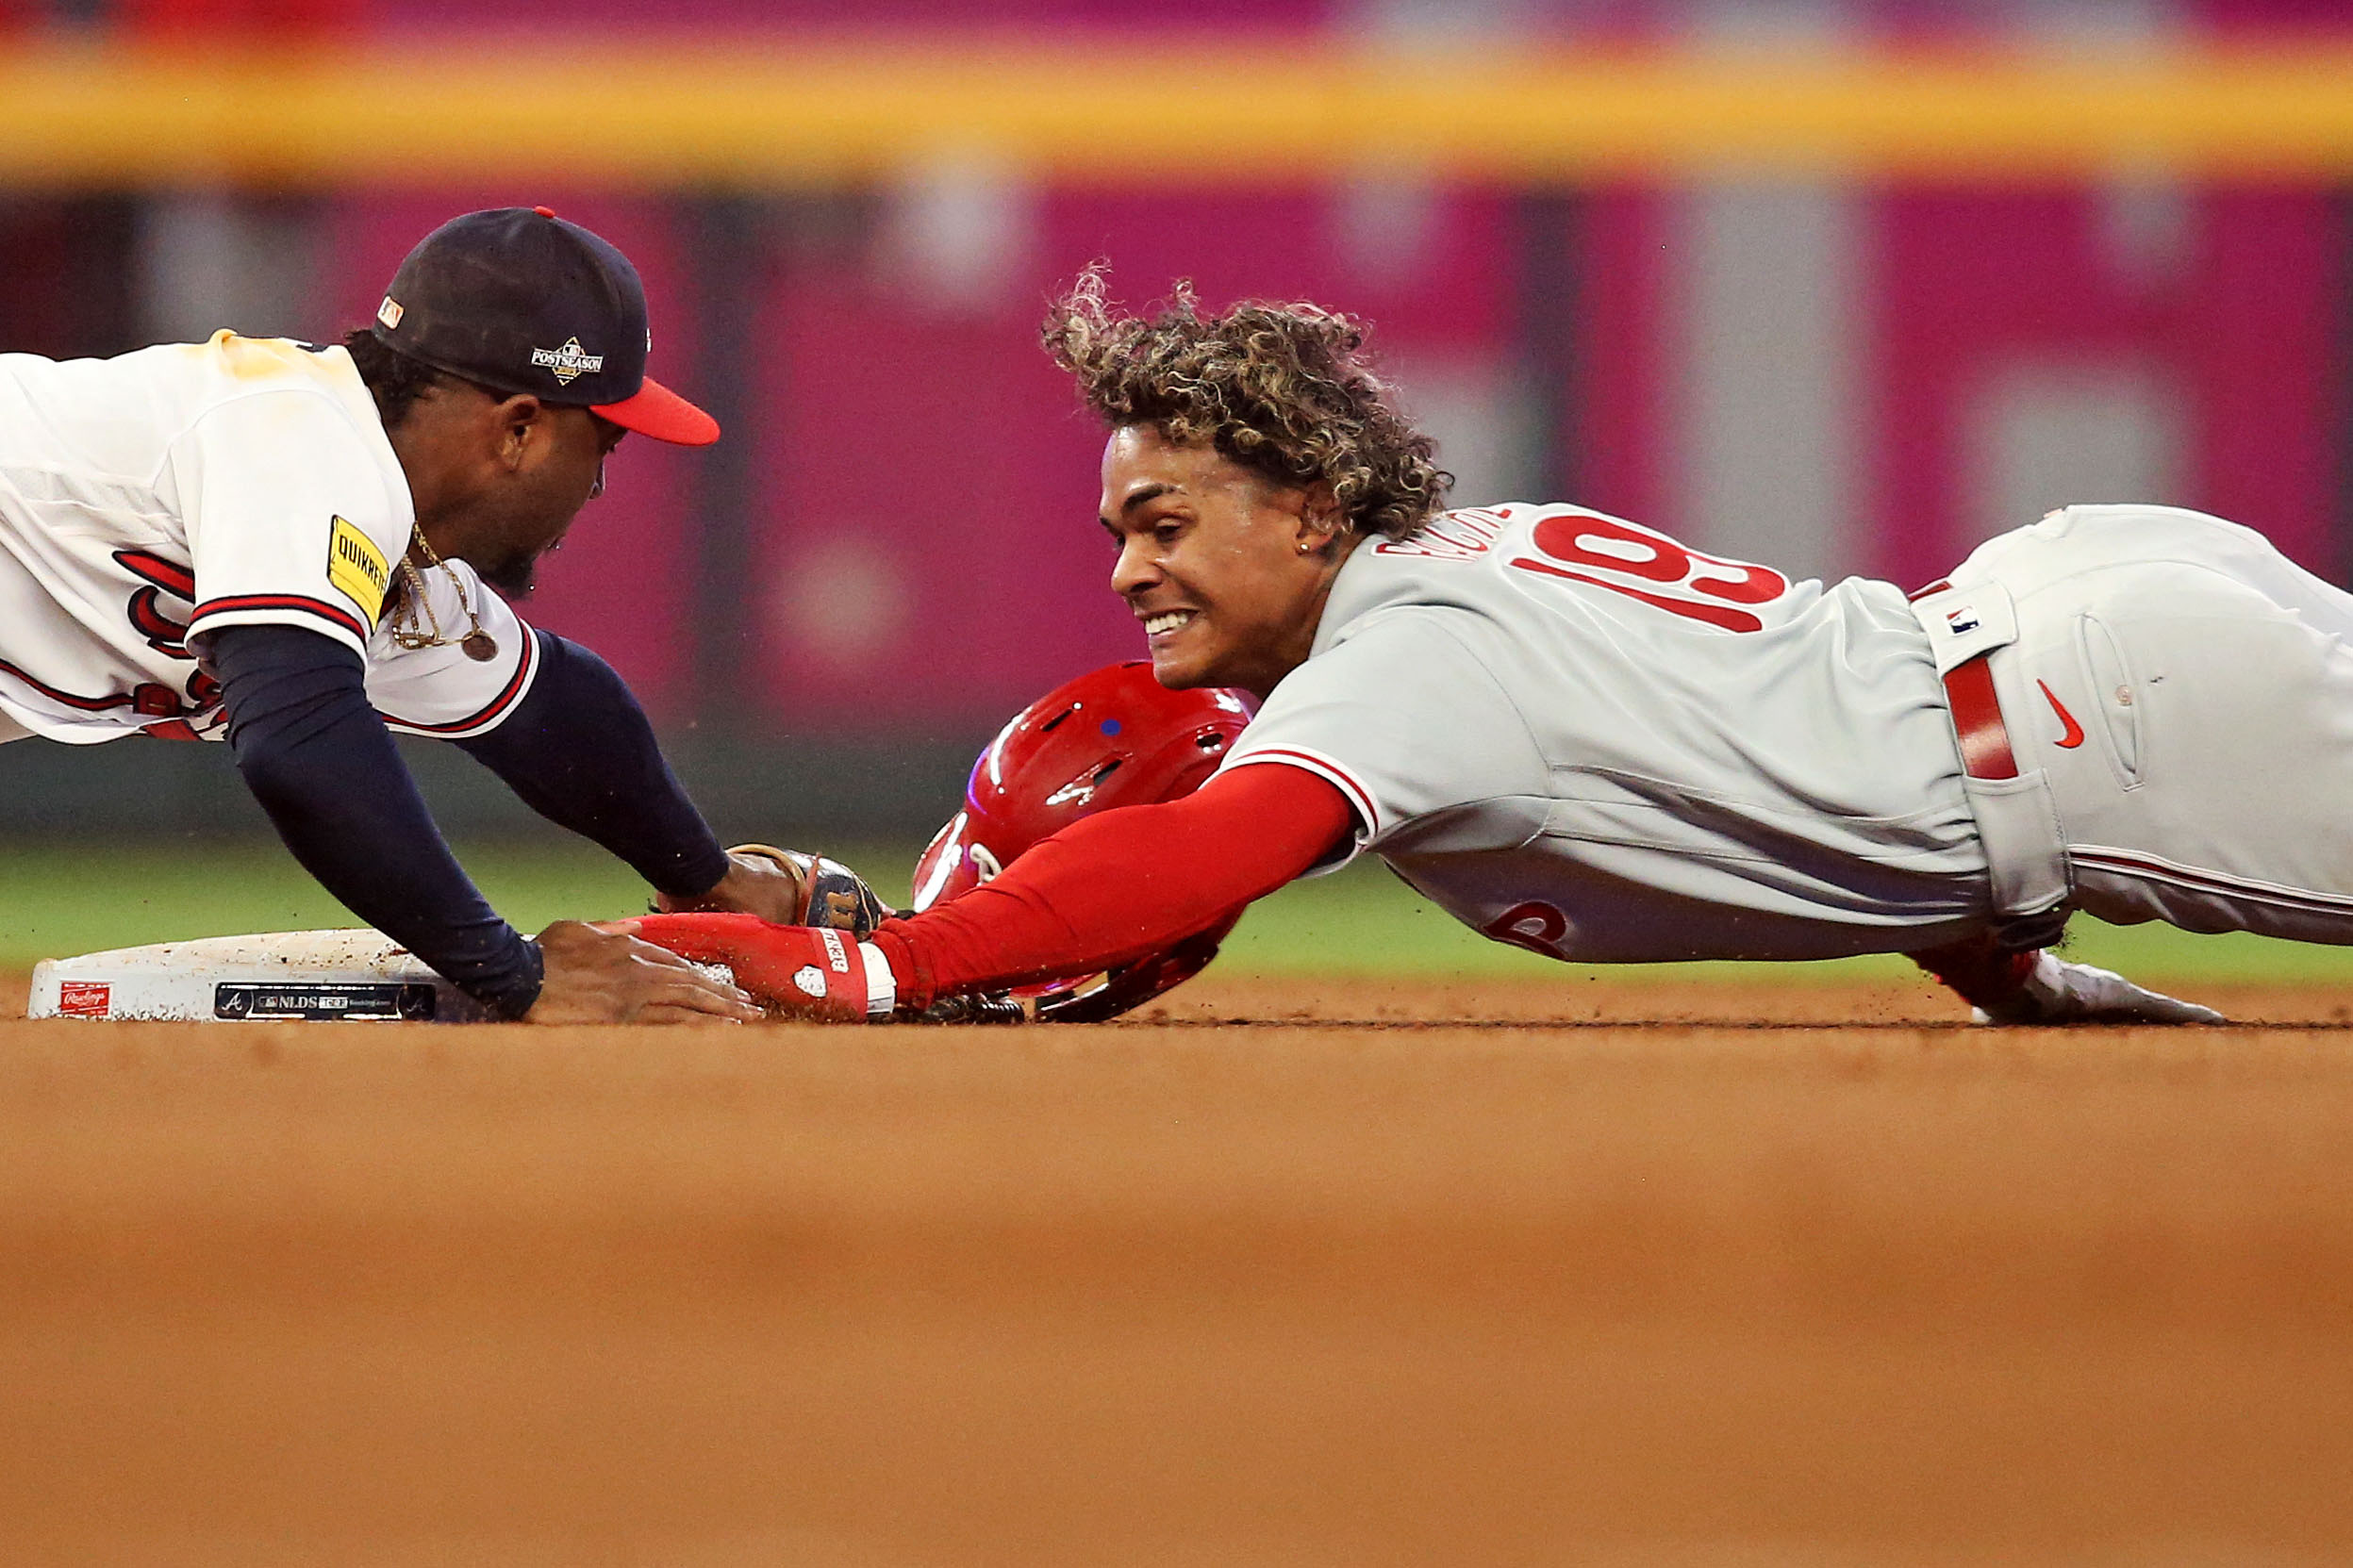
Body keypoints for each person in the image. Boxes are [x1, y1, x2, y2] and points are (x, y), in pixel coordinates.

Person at [629, 270, 2353, 1025]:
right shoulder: (1456, 572)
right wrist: (2009, 963)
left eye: (1167, 524)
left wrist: (882, 970)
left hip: (2121, 726)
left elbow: (1210, 847)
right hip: (2083, 632)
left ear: (1308, 506)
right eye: (1118, 538)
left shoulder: (1407, 652)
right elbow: (1780, 743)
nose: (1133, 574)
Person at [0, 206, 857, 1024]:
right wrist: (511, 974)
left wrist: (709, 876)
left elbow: (553, 709)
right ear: (520, 429)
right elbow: (303, 743)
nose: (594, 484)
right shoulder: (295, 435)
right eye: (600, 446)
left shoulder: (374, 532)